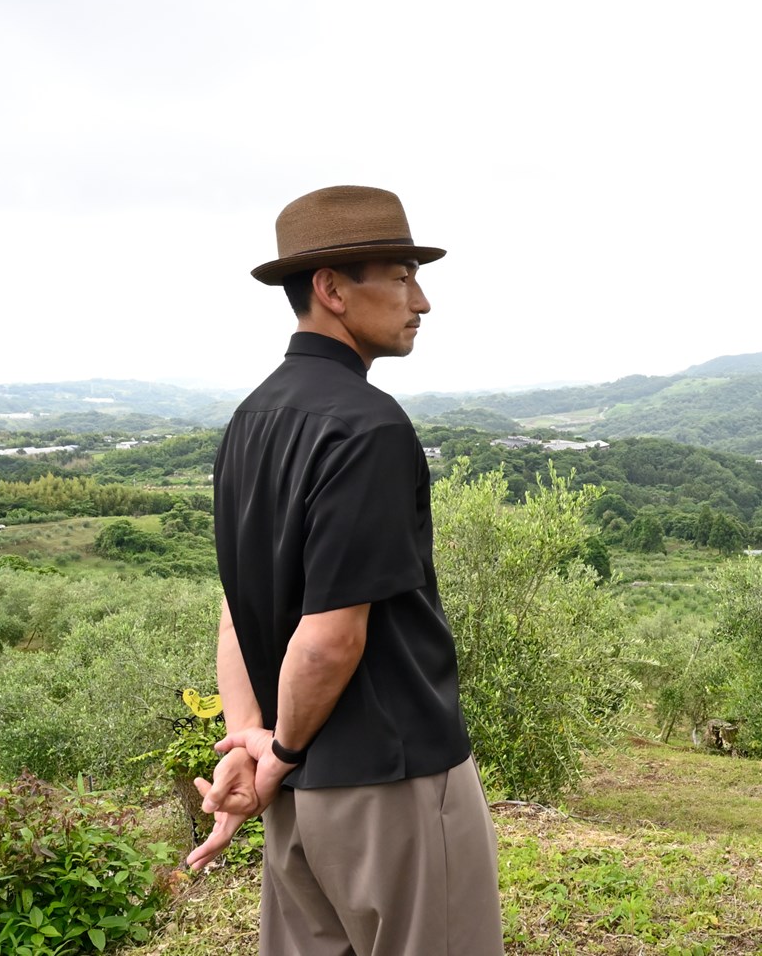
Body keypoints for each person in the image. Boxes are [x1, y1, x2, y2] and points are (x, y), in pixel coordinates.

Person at [186, 185, 505, 956]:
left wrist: (251, 742)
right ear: (331, 289)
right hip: (389, 783)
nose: (420, 300)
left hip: (295, 794)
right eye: (398, 275)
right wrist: (279, 751)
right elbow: (331, 639)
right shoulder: (368, 427)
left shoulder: (249, 421)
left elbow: (239, 606)